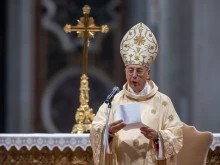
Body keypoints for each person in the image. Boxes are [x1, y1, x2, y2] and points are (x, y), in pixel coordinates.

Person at [90, 22, 183, 165]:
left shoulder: (162, 101)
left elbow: (177, 136)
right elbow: (96, 128)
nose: (134, 75)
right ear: (125, 72)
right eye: (130, 70)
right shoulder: (114, 100)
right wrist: (108, 131)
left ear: (148, 74)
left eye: (139, 71)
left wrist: (158, 136)